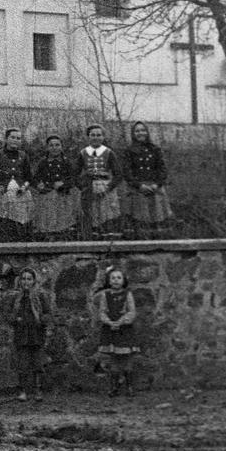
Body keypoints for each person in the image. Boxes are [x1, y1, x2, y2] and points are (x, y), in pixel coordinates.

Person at [6, 266, 52, 400]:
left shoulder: (40, 296)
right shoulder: (16, 298)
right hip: (21, 334)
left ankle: (37, 390)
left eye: (29, 279)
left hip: (36, 334)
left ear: (34, 281)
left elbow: (48, 314)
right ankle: (23, 391)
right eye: (23, 279)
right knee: (22, 364)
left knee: (37, 363)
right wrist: (16, 319)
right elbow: (8, 315)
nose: (26, 282)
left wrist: (41, 320)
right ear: (20, 281)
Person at [122, 121, 171, 238]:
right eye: (137, 131)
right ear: (133, 134)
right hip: (137, 190)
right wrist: (139, 186)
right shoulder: (129, 151)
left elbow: (163, 170)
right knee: (140, 224)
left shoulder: (156, 149)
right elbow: (127, 172)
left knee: (159, 224)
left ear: (147, 132)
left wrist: (156, 185)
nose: (140, 133)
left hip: (155, 190)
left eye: (143, 130)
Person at [95, 265, 137, 397]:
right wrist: (109, 322)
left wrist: (122, 321)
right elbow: (102, 312)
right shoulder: (105, 295)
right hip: (111, 331)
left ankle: (129, 386)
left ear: (124, 280)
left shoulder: (127, 294)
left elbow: (132, 311)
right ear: (109, 280)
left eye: (119, 278)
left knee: (127, 359)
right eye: (113, 278)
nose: (116, 280)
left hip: (125, 331)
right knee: (113, 360)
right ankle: (114, 387)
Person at [74, 124, 120, 239]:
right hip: (88, 188)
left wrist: (109, 187)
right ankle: (90, 241)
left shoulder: (109, 153)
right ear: (88, 137)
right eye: (92, 135)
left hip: (106, 188)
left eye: (98, 135)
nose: (95, 137)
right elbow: (74, 174)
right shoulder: (83, 153)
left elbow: (118, 174)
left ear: (103, 137)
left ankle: (107, 242)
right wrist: (82, 187)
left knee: (106, 216)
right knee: (90, 214)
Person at [0, 127, 33, 241]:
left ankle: (22, 243)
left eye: (18, 138)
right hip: (3, 193)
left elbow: (29, 177)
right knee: (3, 221)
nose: (15, 140)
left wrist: (24, 187)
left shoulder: (23, 155)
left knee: (22, 221)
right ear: (6, 139)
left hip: (21, 194)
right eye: (12, 137)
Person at [32, 134, 77, 236]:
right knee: (48, 225)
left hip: (63, 197)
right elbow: (34, 179)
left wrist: (64, 183)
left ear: (61, 147)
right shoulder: (43, 162)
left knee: (64, 225)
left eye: (57, 145)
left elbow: (74, 179)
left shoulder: (66, 162)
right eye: (51, 145)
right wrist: (38, 185)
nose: (54, 148)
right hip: (47, 197)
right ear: (47, 148)